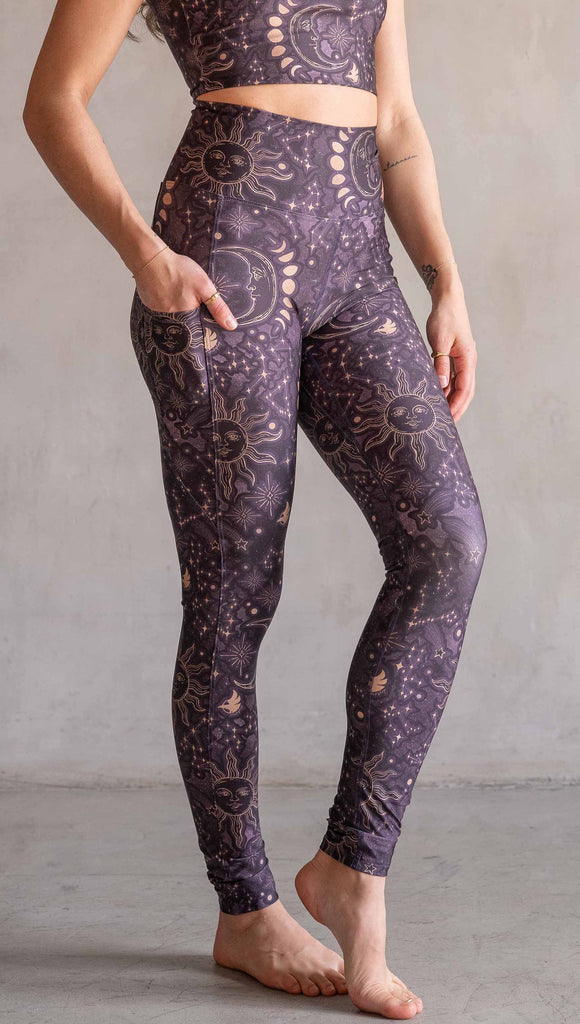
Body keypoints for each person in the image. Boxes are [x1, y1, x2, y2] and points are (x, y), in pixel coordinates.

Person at [23, 0, 487, 1016]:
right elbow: (52, 101)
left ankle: (353, 866)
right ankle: (244, 909)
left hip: (358, 261)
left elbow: (397, 122)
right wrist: (145, 254)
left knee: (447, 541)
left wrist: (445, 280)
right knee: (234, 591)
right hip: (224, 255)